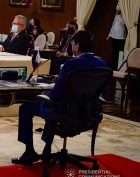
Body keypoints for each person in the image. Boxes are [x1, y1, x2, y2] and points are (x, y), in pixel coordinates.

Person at [12, 30, 107, 166]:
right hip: (88, 113)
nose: (71, 46)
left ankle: (29, 152)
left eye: (72, 43)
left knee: (27, 107)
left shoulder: (72, 64)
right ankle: (46, 149)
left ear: (77, 46)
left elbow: (55, 94)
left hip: (65, 112)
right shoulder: (102, 63)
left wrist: (45, 96)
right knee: (50, 104)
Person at [107, 3, 127, 70]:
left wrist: (121, 13)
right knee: (114, 52)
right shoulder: (116, 15)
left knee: (121, 52)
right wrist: (109, 35)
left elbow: (124, 23)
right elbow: (113, 24)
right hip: (114, 36)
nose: (116, 11)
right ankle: (113, 67)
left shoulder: (125, 15)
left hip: (121, 37)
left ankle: (121, 67)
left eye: (118, 10)